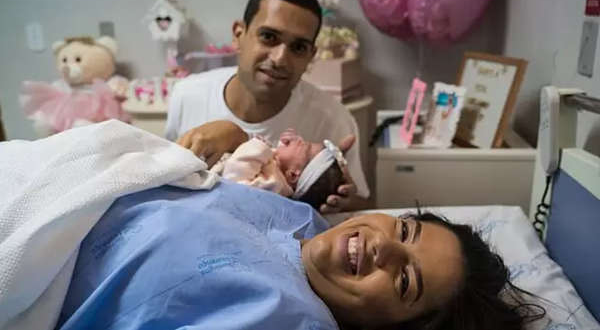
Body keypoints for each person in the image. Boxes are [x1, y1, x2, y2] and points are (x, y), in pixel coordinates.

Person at [56, 181, 542, 330]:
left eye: (404, 282)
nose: (385, 245)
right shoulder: (302, 220)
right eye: (405, 230)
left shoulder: (291, 319)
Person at [165, 0, 369, 213]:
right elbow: (164, 185)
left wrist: (347, 204)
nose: (280, 58)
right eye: (269, 37)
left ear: (311, 56)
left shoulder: (334, 120)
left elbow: (365, 209)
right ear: (239, 34)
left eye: (298, 47)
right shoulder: (187, 96)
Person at [212, 128, 345, 209]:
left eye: (305, 145)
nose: (299, 139)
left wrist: (259, 147)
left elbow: (234, 181)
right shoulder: (275, 169)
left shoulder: (273, 185)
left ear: (293, 175)